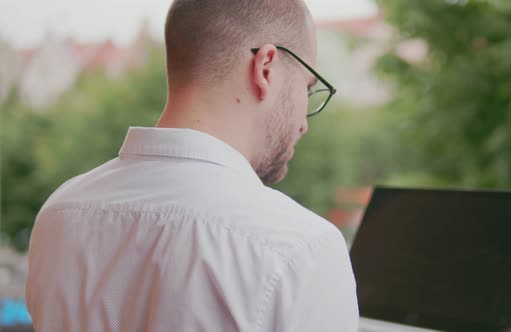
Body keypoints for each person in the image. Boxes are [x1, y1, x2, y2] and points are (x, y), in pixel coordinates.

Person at [25, 0, 359, 331]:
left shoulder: (59, 213)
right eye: (308, 87)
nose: (304, 123)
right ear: (265, 68)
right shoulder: (301, 248)